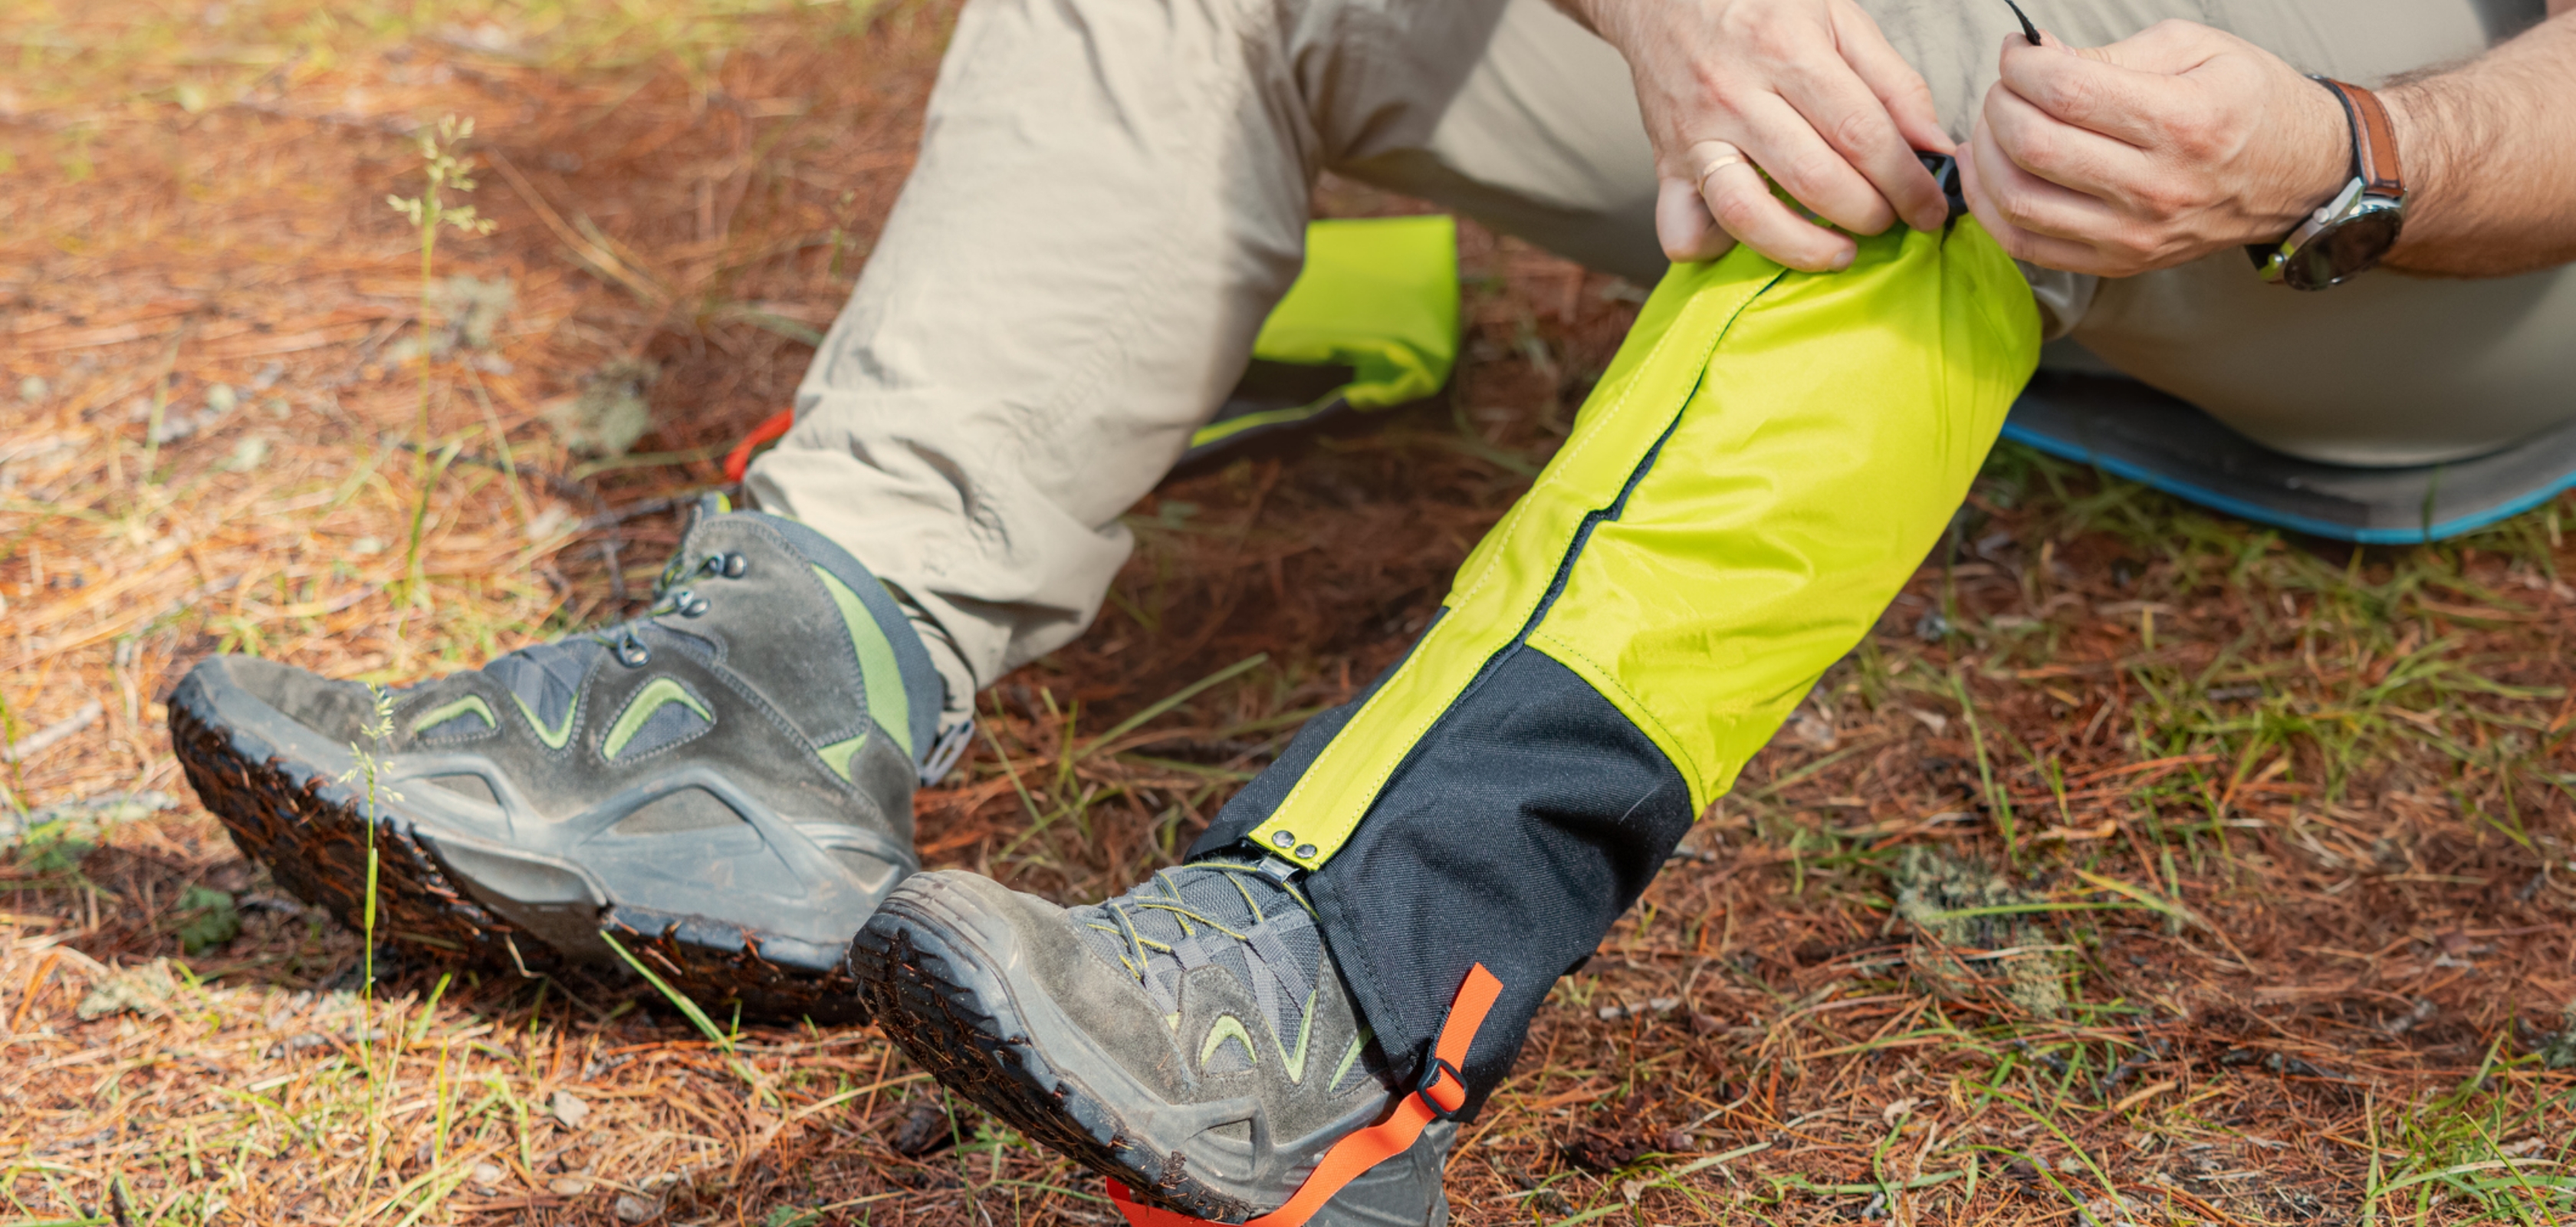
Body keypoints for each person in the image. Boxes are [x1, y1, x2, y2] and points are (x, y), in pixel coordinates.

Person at [172, 0, 2576, 1222]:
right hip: (1941, 85)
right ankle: (770, 698)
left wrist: (2350, 161)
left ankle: (1350, 969)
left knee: (1943, 80)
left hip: (2399, 242)